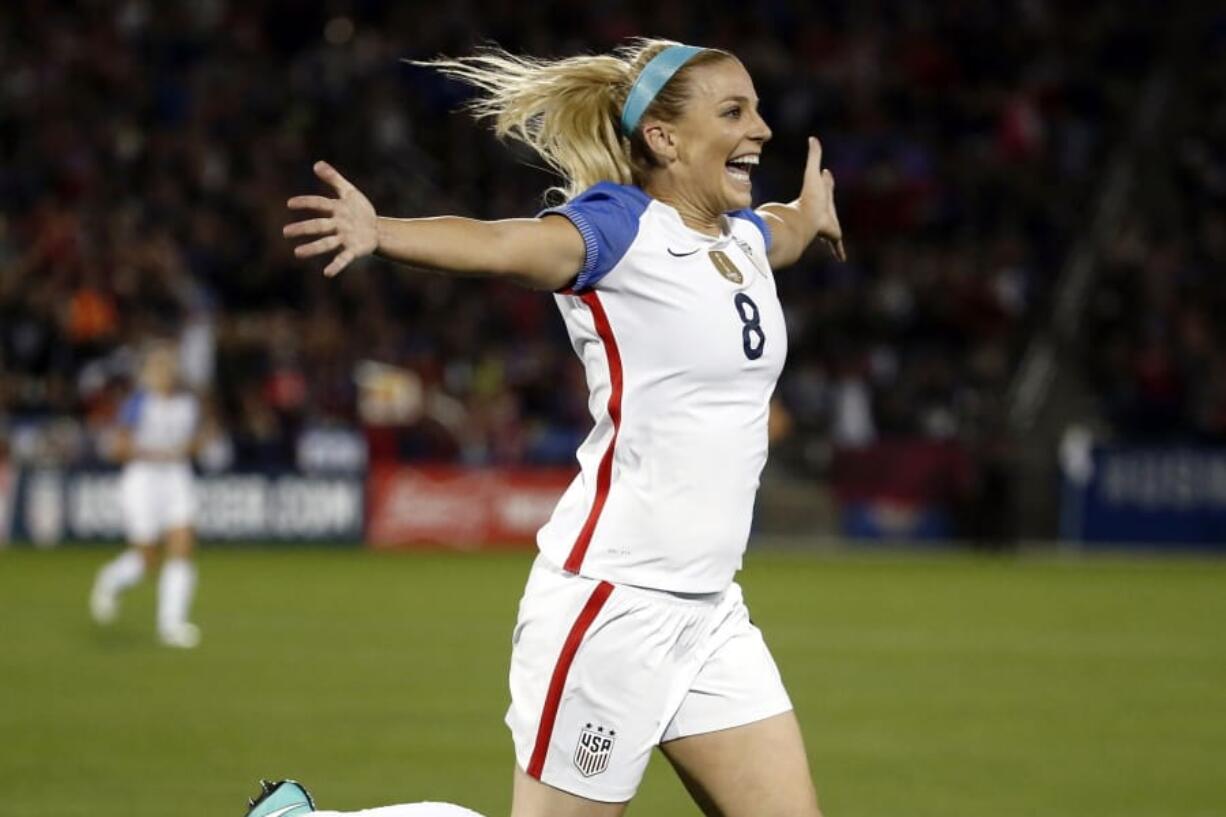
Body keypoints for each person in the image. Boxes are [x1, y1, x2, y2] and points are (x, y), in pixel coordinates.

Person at [277, 38, 843, 817]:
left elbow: (777, 232)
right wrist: (384, 233)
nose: (764, 129)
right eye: (735, 111)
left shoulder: (738, 241)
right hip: (613, 606)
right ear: (664, 139)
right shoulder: (620, 230)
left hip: (710, 610)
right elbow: (508, 243)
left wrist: (809, 217)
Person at [89, 341, 206, 648]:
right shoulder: (138, 403)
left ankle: (172, 624)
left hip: (177, 477)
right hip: (143, 480)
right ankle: (111, 579)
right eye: (159, 367)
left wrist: (187, 450)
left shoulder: (188, 403)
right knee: (146, 559)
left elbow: (199, 440)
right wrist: (157, 454)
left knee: (182, 546)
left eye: (169, 367)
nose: (166, 373)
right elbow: (118, 448)